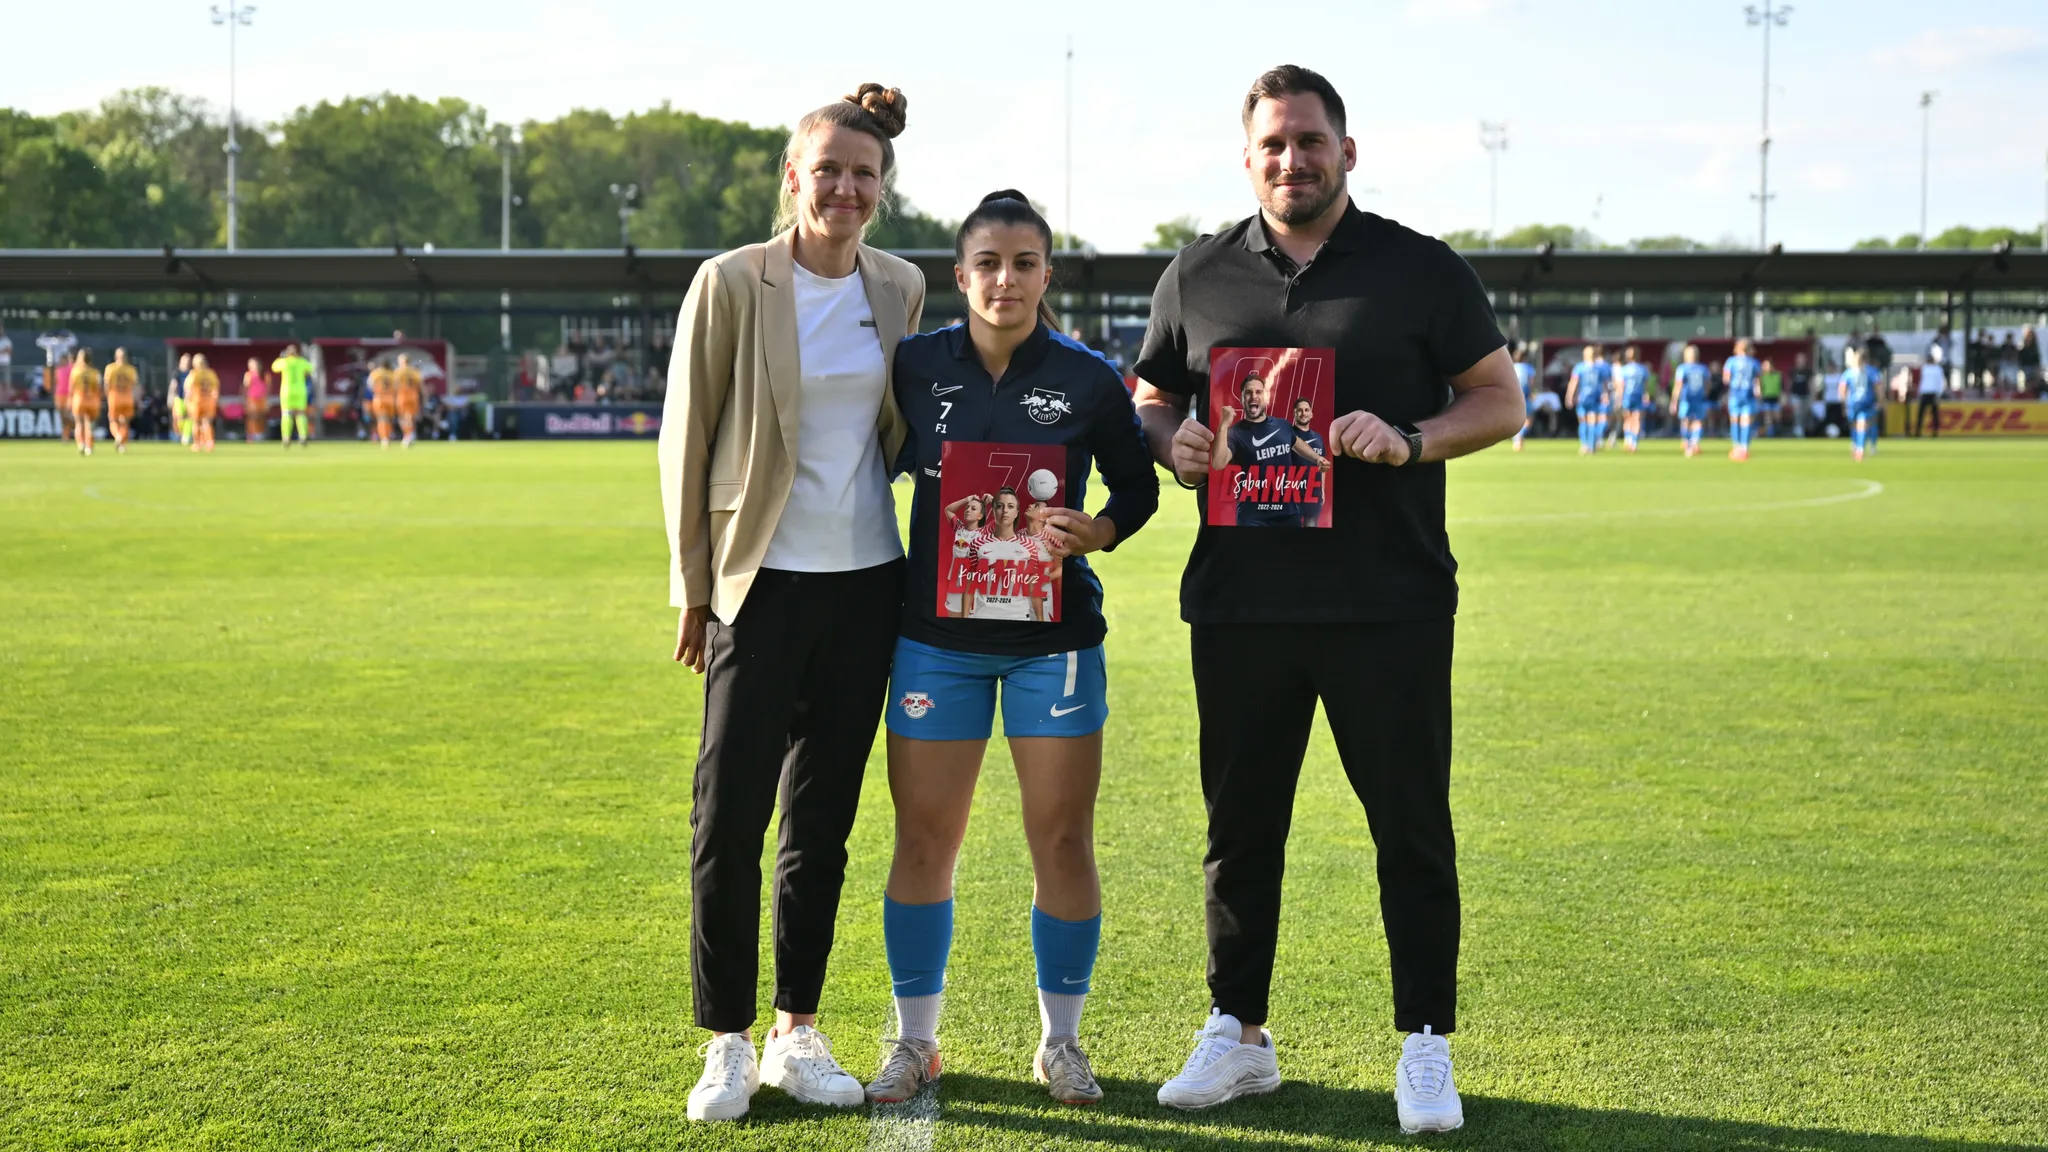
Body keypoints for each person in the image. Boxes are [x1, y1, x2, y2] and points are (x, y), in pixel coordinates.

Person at [1130, 64, 1522, 1134]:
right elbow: (1151, 396)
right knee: (1238, 828)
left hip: (1385, 600)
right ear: (1246, 156)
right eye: (1271, 145)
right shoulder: (1197, 272)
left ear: (1345, 151)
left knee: (1408, 825)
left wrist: (1409, 440)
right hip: (1240, 601)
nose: (1290, 160)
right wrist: (1178, 446)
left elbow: (1499, 400)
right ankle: (1237, 1033)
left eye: (1308, 141)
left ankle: (1423, 1043)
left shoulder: (1418, 269)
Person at [654, 82, 925, 1124]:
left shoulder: (898, 286)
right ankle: (723, 1040)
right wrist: (692, 589)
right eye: (828, 171)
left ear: (880, 187)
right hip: (754, 586)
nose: (846, 189)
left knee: (822, 820)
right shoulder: (730, 283)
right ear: (792, 176)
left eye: (864, 175)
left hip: (866, 586)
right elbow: (687, 442)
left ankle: (796, 1029)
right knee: (727, 815)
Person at [867, 191, 1158, 1108]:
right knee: (924, 839)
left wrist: (1097, 531)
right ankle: (916, 1043)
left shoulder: (1086, 376)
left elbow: (1138, 487)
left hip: (1053, 645)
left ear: (1045, 275)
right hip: (936, 641)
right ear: (960, 277)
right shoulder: (912, 366)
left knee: (1063, 838)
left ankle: (1061, 1044)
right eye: (987, 263)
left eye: (1024, 263)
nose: (1006, 279)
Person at [1210, 370, 1330, 523]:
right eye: (1248, 392)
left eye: (1258, 392)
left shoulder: (1283, 425)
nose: (1254, 396)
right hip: (1252, 516)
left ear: (1265, 398)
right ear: (1242, 399)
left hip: (1287, 512)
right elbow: (1218, 463)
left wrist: (1318, 458)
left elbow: (1298, 444)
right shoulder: (1234, 433)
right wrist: (1223, 424)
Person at [1289, 396, 1328, 526]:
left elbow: (1322, 466)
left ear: (1311, 413)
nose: (1303, 413)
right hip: (1291, 494)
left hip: (1313, 494)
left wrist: (1322, 491)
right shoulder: (1287, 435)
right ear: (1294, 413)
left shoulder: (1318, 438)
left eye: (1306, 410)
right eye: (1299, 410)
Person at [1565, 344, 1608, 455]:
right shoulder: (1600, 368)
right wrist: (1606, 395)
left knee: (1583, 421)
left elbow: (1573, 383)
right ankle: (1592, 446)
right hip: (1595, 397)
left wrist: (1569, 396)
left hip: (1583, 398)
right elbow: (1605, 384)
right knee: (1592, 421)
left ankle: (1584, 445)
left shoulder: (1579, 367)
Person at [1840, 347, 1881, 461]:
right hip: (1864, 402)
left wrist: (1843, 403)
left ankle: (1859, 448)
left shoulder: (1849, 372)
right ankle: (1860, 446)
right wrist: (1880, 400)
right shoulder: (1871, 371)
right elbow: (1878, 387)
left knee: (1860, 424)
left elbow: (1842, 388)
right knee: (1860, 425)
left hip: (1854, 403)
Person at [1723, 338, 1761, 461]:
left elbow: (1726, 379)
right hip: (1748, 395)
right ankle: (1744, 448)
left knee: (1734, 421)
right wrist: (1758, 392)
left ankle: (1736, 447)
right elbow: (1757, 381)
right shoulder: (1754, 363)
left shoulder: (1731, 361)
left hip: (1735, 394)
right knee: (1746, 421)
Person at [1670, 344, 1711, 457]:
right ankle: (1694, 442)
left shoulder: (1682, 368)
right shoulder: (1703, 368)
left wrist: (1674, 401)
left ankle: (1688, 443)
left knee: (1686, 421)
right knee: (1697, 421)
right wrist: (1704, 395)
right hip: (1698, 399)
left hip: (1686, 399)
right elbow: (1708, 386)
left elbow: (1678, 385)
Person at [273, 344, 314, 448]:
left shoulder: (284, 361)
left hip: (287, 391)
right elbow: (311, 369)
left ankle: (286, 438)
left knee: (287, 414)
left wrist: (280, 357)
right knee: (300, 414)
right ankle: (303, 437)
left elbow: (274, 367)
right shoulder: (301, 362)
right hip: (300, 390)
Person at [1614, 345, 1651, 453]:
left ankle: (1628, 440)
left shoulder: (1624, 370)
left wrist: (1619, 398)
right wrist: (1646, 395)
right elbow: (1646, 385)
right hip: (1638, 396)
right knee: (1637, 419)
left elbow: (1621, 386)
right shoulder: (1643, 369)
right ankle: (1634, 443)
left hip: (1627, 396)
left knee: (1627, 419)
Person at [67, 349, 102, 456]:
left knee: (79, 424)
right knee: (89, 425)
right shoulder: (95, 373)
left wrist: (69, 401)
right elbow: (98, 389)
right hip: (92, 401)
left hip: (79, 400)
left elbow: (71, 389)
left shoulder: (76, 371)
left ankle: (81, 444)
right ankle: (89, 447)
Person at [104, 348, 138, 453]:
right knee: (125, 422)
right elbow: (135, 385)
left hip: (114, 397)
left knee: (113, 419)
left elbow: (106, 384)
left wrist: (107, 396)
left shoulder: (110, 368)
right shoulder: (131, 369)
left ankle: (118, 435)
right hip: (127, 398)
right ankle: (123, 444)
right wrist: (136, 399)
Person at [186, 354, 220, 453]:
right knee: (207, 422)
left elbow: (188, 389)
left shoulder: (194, 373)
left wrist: (187, 401)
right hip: (209, 401)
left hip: (197, 401)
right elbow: (215, 389)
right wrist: (215, 400)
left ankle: (197, 443)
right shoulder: (211, 373)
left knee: (196, 423)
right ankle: (209, 442)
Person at [1915, 341, 1947, 437]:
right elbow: (1922, 381)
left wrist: (1939, 393)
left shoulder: (1938, 369)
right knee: (1921, 413)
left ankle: (1935, 432)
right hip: (1925, 392)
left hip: (1933, 393)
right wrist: (1920, 391)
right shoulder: (1925, 368)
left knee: (1934, 414)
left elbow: (1940, 383)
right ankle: (1918, 431)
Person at [1510, 345, 1536, 451]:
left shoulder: (1512, 367)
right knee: (1529, 419)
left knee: (1514, 419)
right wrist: (1532, 393)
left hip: (1513, 396)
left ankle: (1517, 439)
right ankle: (1519, 436)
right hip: (1525, 396)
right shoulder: (1528, 368)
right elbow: (1531, 382)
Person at [395, 354, 424, 447]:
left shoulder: (398, 371)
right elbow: (421, 387)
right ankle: (411, 435)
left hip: (402, 396)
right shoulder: (415, 372)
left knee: (403, 417)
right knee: (410, 417)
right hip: (413, 396)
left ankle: (407, 435)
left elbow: (395, 386)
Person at [367, 360, 396, 448]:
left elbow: (370, 385)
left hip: (379, 398)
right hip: (390, 398)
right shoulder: (392, 374)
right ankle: (389, 436)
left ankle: (384, 438)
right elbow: (397, 386)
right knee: (389, 419)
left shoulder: (376, 373)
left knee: (382, 418)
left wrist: (376, 391)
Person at [243, 357, 269, 442]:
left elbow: (268, 388)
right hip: (252, 399)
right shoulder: (248, 375)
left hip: (262, 399)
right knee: (252, 417)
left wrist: (266, 398)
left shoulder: (265, 375)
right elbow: (245, 387)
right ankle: (251, 434)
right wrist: (244, 399)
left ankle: (260, 434)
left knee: (261, 417)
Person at [1757, 357, 1783, 436]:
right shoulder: (1761, 376)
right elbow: (1759, 388)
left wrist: (1781, 397)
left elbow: (1781, 387)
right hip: (1766, 399)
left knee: (1777, 417)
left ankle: (1778, 432)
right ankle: (1770, 433)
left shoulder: (1778, 375)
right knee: (1768, 417)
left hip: (1775, 399)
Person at [170, 353, 192, 445]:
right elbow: (173, 385)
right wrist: (171, 397)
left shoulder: (191, 373)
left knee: (189, 418)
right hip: (179, 398)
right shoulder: (177, 373)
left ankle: (186, 436)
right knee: (179, 417)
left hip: (190, 400)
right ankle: (179, 433)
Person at [2019, 326, 2041, 397]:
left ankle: (2034, 394)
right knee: (2026, 381)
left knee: (2034, 382)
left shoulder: (2034, 345)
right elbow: (2021, 355)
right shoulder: (2023, 344)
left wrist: (2037, 368)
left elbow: (2037, 357)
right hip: (2025, 366)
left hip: (2033, 366)